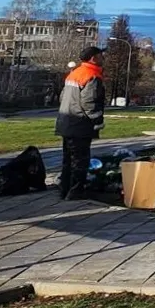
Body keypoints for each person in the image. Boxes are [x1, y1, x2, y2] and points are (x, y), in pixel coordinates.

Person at [55, 46, 106, 200]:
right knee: (80, 160)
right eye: (101, 56)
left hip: (66, 121)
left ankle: (64, 189)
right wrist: (97, 120)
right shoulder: (92, 75)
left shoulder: (75, 73)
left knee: (68, 159)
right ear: (93, 58)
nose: (103, 58)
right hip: (80, 124)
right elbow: (89, 102)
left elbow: (62, 97)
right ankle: (75, 192)